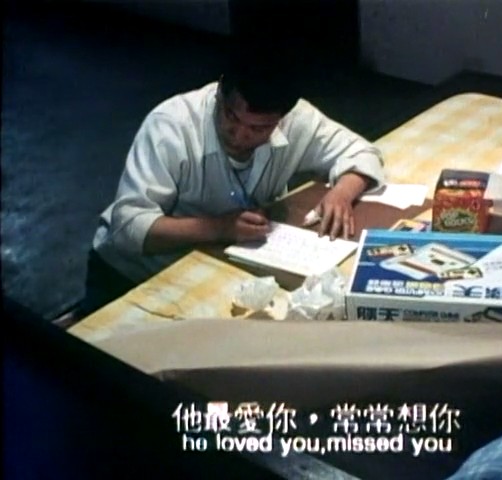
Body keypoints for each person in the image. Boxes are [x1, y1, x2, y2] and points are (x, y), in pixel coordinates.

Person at [78, 48, 386, 318]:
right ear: (220, 92)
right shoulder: (172, 125)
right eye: (230, 117)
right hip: (130, 274)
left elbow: (363, 152)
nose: (239, 136)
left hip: (218, 264)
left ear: (282, 118)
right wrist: (219, 227)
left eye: (259, 129)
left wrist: (342, 192)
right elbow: (128, 228)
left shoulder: (297, 120)